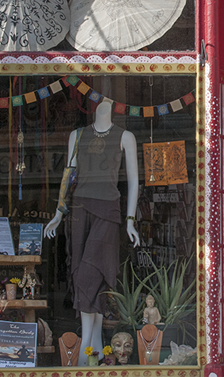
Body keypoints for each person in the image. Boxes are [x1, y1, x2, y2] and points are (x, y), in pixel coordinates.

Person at [43, 101, 140, 366]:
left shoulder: (125, 137)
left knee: (91, 273)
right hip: (79, 210)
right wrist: (59, 212)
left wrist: (130, 220)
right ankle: (96, 344)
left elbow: (133, 180)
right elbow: (69, 175)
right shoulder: (77, 135)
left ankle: (85, 345)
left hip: (108, 211)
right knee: (82, 273)